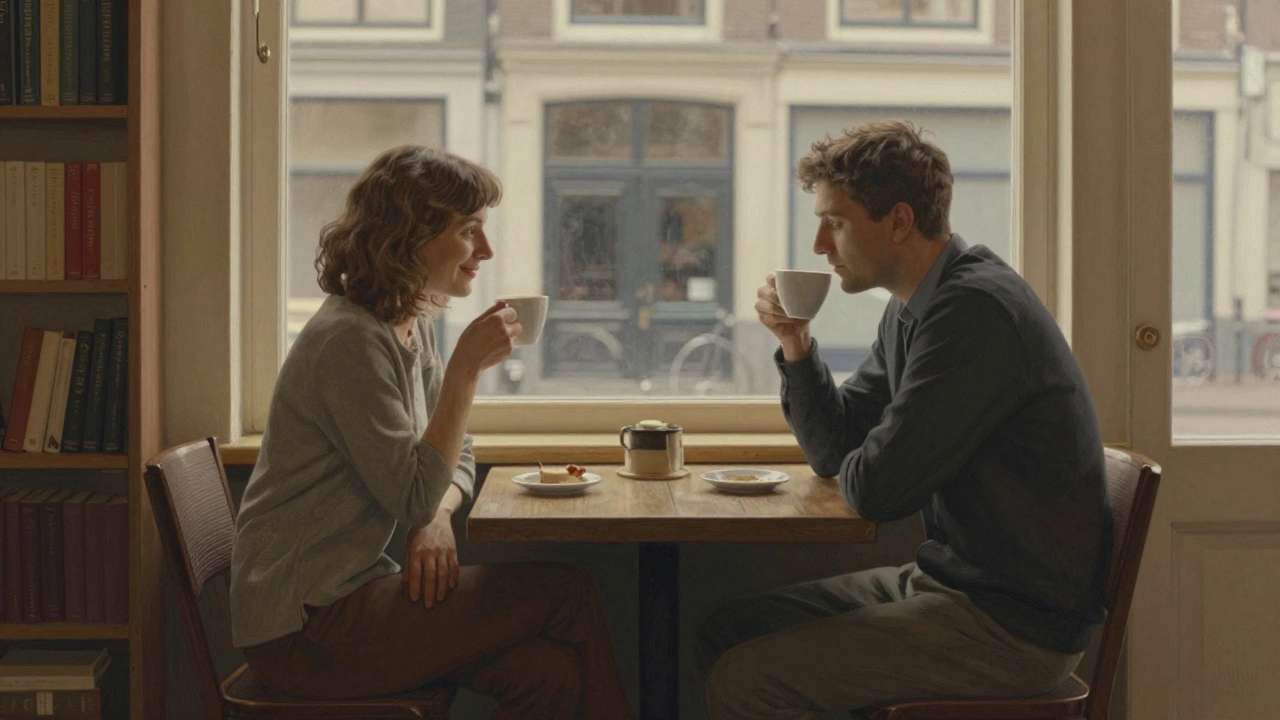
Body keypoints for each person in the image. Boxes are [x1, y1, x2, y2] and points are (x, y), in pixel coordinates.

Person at [694, 120, 1113, 719]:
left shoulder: (973, 314)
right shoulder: (913, 309)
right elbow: (835, 449)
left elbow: (874, 489)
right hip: (951, 589)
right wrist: (796, 344)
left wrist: (870, 453)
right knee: (727, 628)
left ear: (898, 221)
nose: (819, 244)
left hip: (1009, 627)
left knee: (746, 680)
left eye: (835, 222)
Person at [229, 145, 631, 720]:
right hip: (304, 629)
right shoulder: (350, 341)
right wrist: (466, 370)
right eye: (471, 231)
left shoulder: (405, 323)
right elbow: (415, 490)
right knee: (568, 593)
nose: (485, 251)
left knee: (548, 676)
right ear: (412, 234)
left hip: (350, 599)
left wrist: (438, 519)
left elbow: (452, 454)